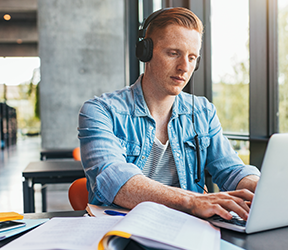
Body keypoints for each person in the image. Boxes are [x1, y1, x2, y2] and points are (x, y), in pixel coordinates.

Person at [78, 7, 260, 221]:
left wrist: (261, 187)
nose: (184, 67)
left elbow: (231, 170)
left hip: (185, 228)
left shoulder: (203, 112)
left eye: (192, 58)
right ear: (145, 52)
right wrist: (192, 201)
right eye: (173, 53)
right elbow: (114, 181)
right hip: (121, 230)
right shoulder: (101, 111)